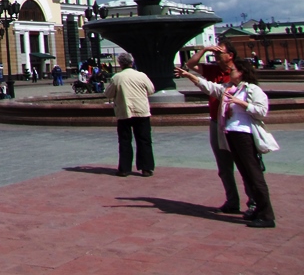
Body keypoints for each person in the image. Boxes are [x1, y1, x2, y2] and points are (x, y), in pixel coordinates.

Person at [176, 59, 277, 228]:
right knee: (245, 173)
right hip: (232, 134)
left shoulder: (253, 90)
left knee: (254, 173)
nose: (230, 71)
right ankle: (258, 210)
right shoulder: (229, 89)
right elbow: (209, 87)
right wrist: (189, 76)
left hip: (245, 135)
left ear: (242, 72)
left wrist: (242, 103)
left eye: (234, 69)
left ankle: (267, 215)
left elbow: (261, 111)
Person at [185, 42, 250, 214]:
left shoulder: (239, 72)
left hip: (235, 123)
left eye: (221, 51)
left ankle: (253, 201)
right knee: (224, 166)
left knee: (244, 164)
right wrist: (205, 49)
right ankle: (232, 201)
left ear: (231, 55)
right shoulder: (213, 70)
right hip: (215, 121)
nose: (217, 53)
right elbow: (189, 65)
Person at [104, 52, 155, 177]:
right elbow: (151, 90)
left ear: (120, 64)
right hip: (142, 111)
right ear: (132, 62)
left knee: (125, 141)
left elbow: (108, 94)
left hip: (124, 112)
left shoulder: (117, 77)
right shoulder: (142, 75)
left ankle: (124, 169)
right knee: (144, 140)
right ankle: (146, 168)